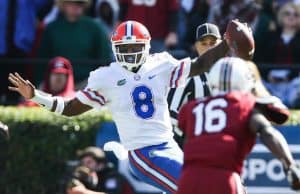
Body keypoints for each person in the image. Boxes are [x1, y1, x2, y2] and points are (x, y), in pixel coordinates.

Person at [8, 20, 235, 193]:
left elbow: (202, 63)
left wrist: (227, 43)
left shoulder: (161, 64)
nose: (128, 52)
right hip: (144, 152)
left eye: (133, 47)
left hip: (169, 146)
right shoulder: (105, 77)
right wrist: (36, 95)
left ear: (146, 46)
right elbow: (69, 108)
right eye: (123, 47)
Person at [176, 57, 300, 194]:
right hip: (223, 177)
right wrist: (290, 165)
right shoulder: (243, 104)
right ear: (244, 81)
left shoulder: (193, 107)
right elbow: (268, 133)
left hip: (189, 178)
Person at [38, 0, 111, 83]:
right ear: (63, 5)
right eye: (71, 2)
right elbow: (42, 61)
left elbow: (104, 58)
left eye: (80, 3)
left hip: (87, 83)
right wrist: (41, 83)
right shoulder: (52, 28)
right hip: (58, 84)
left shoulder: (95, 28)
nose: (76, 6)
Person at [67, 146, 134, 194]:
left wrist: (84, 192)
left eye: (89, 162)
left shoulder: (112, 177)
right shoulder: (92, 177)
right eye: (83, 163)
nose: (85, 165)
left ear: (100, 163)